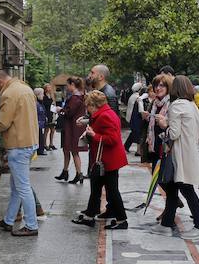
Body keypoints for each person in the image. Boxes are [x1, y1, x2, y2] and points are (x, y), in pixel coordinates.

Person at [0, 70, 40, 237]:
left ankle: (31, 225)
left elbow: (3, 122)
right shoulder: (25, 88)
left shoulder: (9, 93)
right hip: (29, 142)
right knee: (17, 186)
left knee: (22, 187)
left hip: (18, 145)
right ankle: (9, 220)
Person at [154, 76, 199, 238]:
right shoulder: (192, 105)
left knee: (183, 188)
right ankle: (168, 222)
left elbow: (174, 133)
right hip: (189, 150)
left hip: (179, 153)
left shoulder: (176, 105)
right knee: (175, 189)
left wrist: (164, 125)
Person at [70, 91, 128, 229]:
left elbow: (112, 139)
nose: (87, 109)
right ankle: (90, 216)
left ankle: (122, 220)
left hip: (108, 159)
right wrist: (86, 122)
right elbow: (97, 122)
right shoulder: (105, 113)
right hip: (105, 158)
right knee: (96, 186)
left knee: (112, 191)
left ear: (93, 105)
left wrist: (93, 135)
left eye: (88, 106)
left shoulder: (105, 116)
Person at [56, 77, 87, 184]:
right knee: (70, 150)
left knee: (73, 151)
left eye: (68, 85)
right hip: (74, 127)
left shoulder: (75, 98)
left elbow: (69, 112)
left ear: (72, 84)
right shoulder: (80, 96)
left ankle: (78, 173)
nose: (67, 87)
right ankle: (68, 172)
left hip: (72, 128)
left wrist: (61, 110)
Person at [146, 74, 174, 172]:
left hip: (167, 149)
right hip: (155, 147)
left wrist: (165, 124)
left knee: (166, 182)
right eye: (156, 86)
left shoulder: (172, 103)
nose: (158, 88)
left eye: (162, 85)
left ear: (168, 87)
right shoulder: (154, 103)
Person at [124, 82, 145, 153]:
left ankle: (126, 146)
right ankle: (138, 150)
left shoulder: (132, 96)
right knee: (137, 134)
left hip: (131, 118)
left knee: (133, 134)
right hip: (135, 118)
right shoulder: (137, 97)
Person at [42, 84, 57, 150]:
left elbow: (53, 103)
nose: (50, 88)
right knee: (46, 130)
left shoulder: (51, 96)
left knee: (53, 129)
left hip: (51, 113)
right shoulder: (44, 96)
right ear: (45, 89)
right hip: (47, 113)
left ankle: (51, 143)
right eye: (48, 87)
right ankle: (45, 144)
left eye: (50, 87)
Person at [34, 87, 48, 156]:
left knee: (40, 136)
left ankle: (40, 149)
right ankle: (39, 150)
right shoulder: (35, 104)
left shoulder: (40, 103)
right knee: (39, 137)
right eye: (42, 94)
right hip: (37, 124)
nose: (43, 96)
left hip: (40, 123)